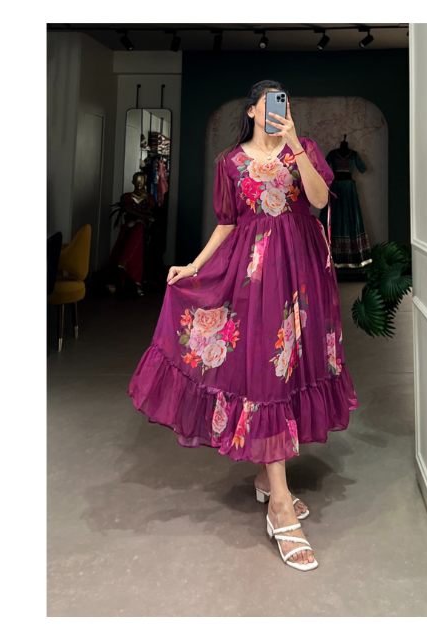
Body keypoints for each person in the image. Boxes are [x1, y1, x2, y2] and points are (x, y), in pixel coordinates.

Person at [128, 80, 359, 571]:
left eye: (284, 102)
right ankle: (280, 504)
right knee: (266, 375)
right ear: (252, 110)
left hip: (304, 275)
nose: (278, 109)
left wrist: (295, 143)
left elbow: (319, 200)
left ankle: (265, 477)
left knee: (291, 372)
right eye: (270, 103)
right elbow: (228, 222)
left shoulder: (304, 148)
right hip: (257, 276)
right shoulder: (230, 162)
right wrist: (193, 266)